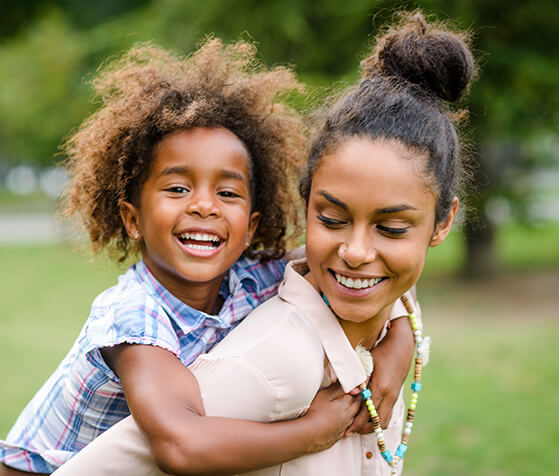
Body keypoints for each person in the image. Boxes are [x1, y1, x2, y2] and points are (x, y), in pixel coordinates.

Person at [49, 9, 476, 476]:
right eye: (177, 189)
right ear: (130, 218)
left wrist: (400, 342)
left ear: (252, 228)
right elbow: (180, 446)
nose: (204, 207)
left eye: (228, 192)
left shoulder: (253, 275)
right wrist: (312, 433)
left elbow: (369, 275)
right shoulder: (135, 318)